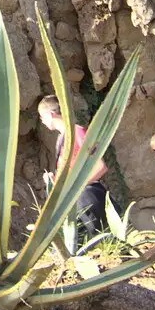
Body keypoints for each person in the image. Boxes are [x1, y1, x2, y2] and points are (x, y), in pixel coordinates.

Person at [38, 95, 107, 243]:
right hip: (75, 201)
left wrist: (77, 187)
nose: (42, 121)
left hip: (87, 197)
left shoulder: (77, 133)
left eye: (42, 117)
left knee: (100, 244)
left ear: (51, 114)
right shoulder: (62, 138)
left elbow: (100, 166)